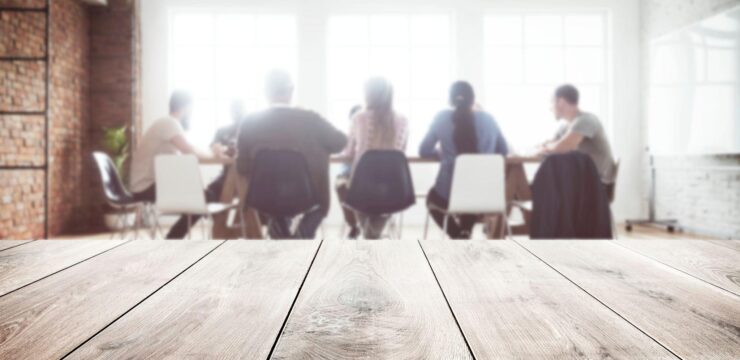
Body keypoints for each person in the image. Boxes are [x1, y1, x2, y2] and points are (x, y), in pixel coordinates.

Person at [236, 70, 347, 239]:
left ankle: (283, 235)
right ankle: (301, 235)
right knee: (317, 206)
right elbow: (340, 142)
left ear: (266, 92)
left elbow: (242, 167)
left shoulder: (250, 121)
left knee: (275, 208)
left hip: (263, 196)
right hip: (307, 195)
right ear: (291, 91)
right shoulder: (310, 118)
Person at [130, 91, 230, 239]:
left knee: (206, 196)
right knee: (205, 197)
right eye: (192, 109)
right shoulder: (169, 123)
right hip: (145, 186)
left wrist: (212, 152)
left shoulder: (168, 124)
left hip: (150, 184)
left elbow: (190, 150)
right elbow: (190, 151)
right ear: (186, 107)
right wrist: (215, 154)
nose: (192, 113)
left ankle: (174, 238)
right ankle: (172, 238)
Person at [419, 81, 509, 239]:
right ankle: (465, 231)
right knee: (471, 192)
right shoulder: (488, 119)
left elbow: (423, 150)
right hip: (484, 192)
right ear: (473, 99)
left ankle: (457, 235)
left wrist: (441, 153)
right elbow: (503, 150)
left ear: (450, 100)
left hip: (448, 194)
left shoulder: (441, 118)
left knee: (431, 199)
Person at [338, 77, 409, 239]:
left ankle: (370, 239)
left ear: (368, 95)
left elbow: (348, 152)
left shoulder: (358, 118)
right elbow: (401, 154)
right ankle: (372, 238)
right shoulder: (403, 120)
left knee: (348, 190)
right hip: (393, 186)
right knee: (380, 213)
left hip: (361, 186)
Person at [538, 84, 617, 186]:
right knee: (545, 180)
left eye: (551, 102)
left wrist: (548, 147)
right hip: (582, 178)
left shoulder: (586, 120)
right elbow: (550, 144)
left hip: (597, 182)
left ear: (561, 102)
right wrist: (547, 146)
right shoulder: (565, 127)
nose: (550, 108)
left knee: (544, 183)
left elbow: (562, 147)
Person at [335, 104, 363, 239]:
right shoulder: (346, 138)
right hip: (346, 175)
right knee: (341, 186)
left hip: (367, 177)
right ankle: (354, 226)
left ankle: (368, 224)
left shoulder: (373, 137)